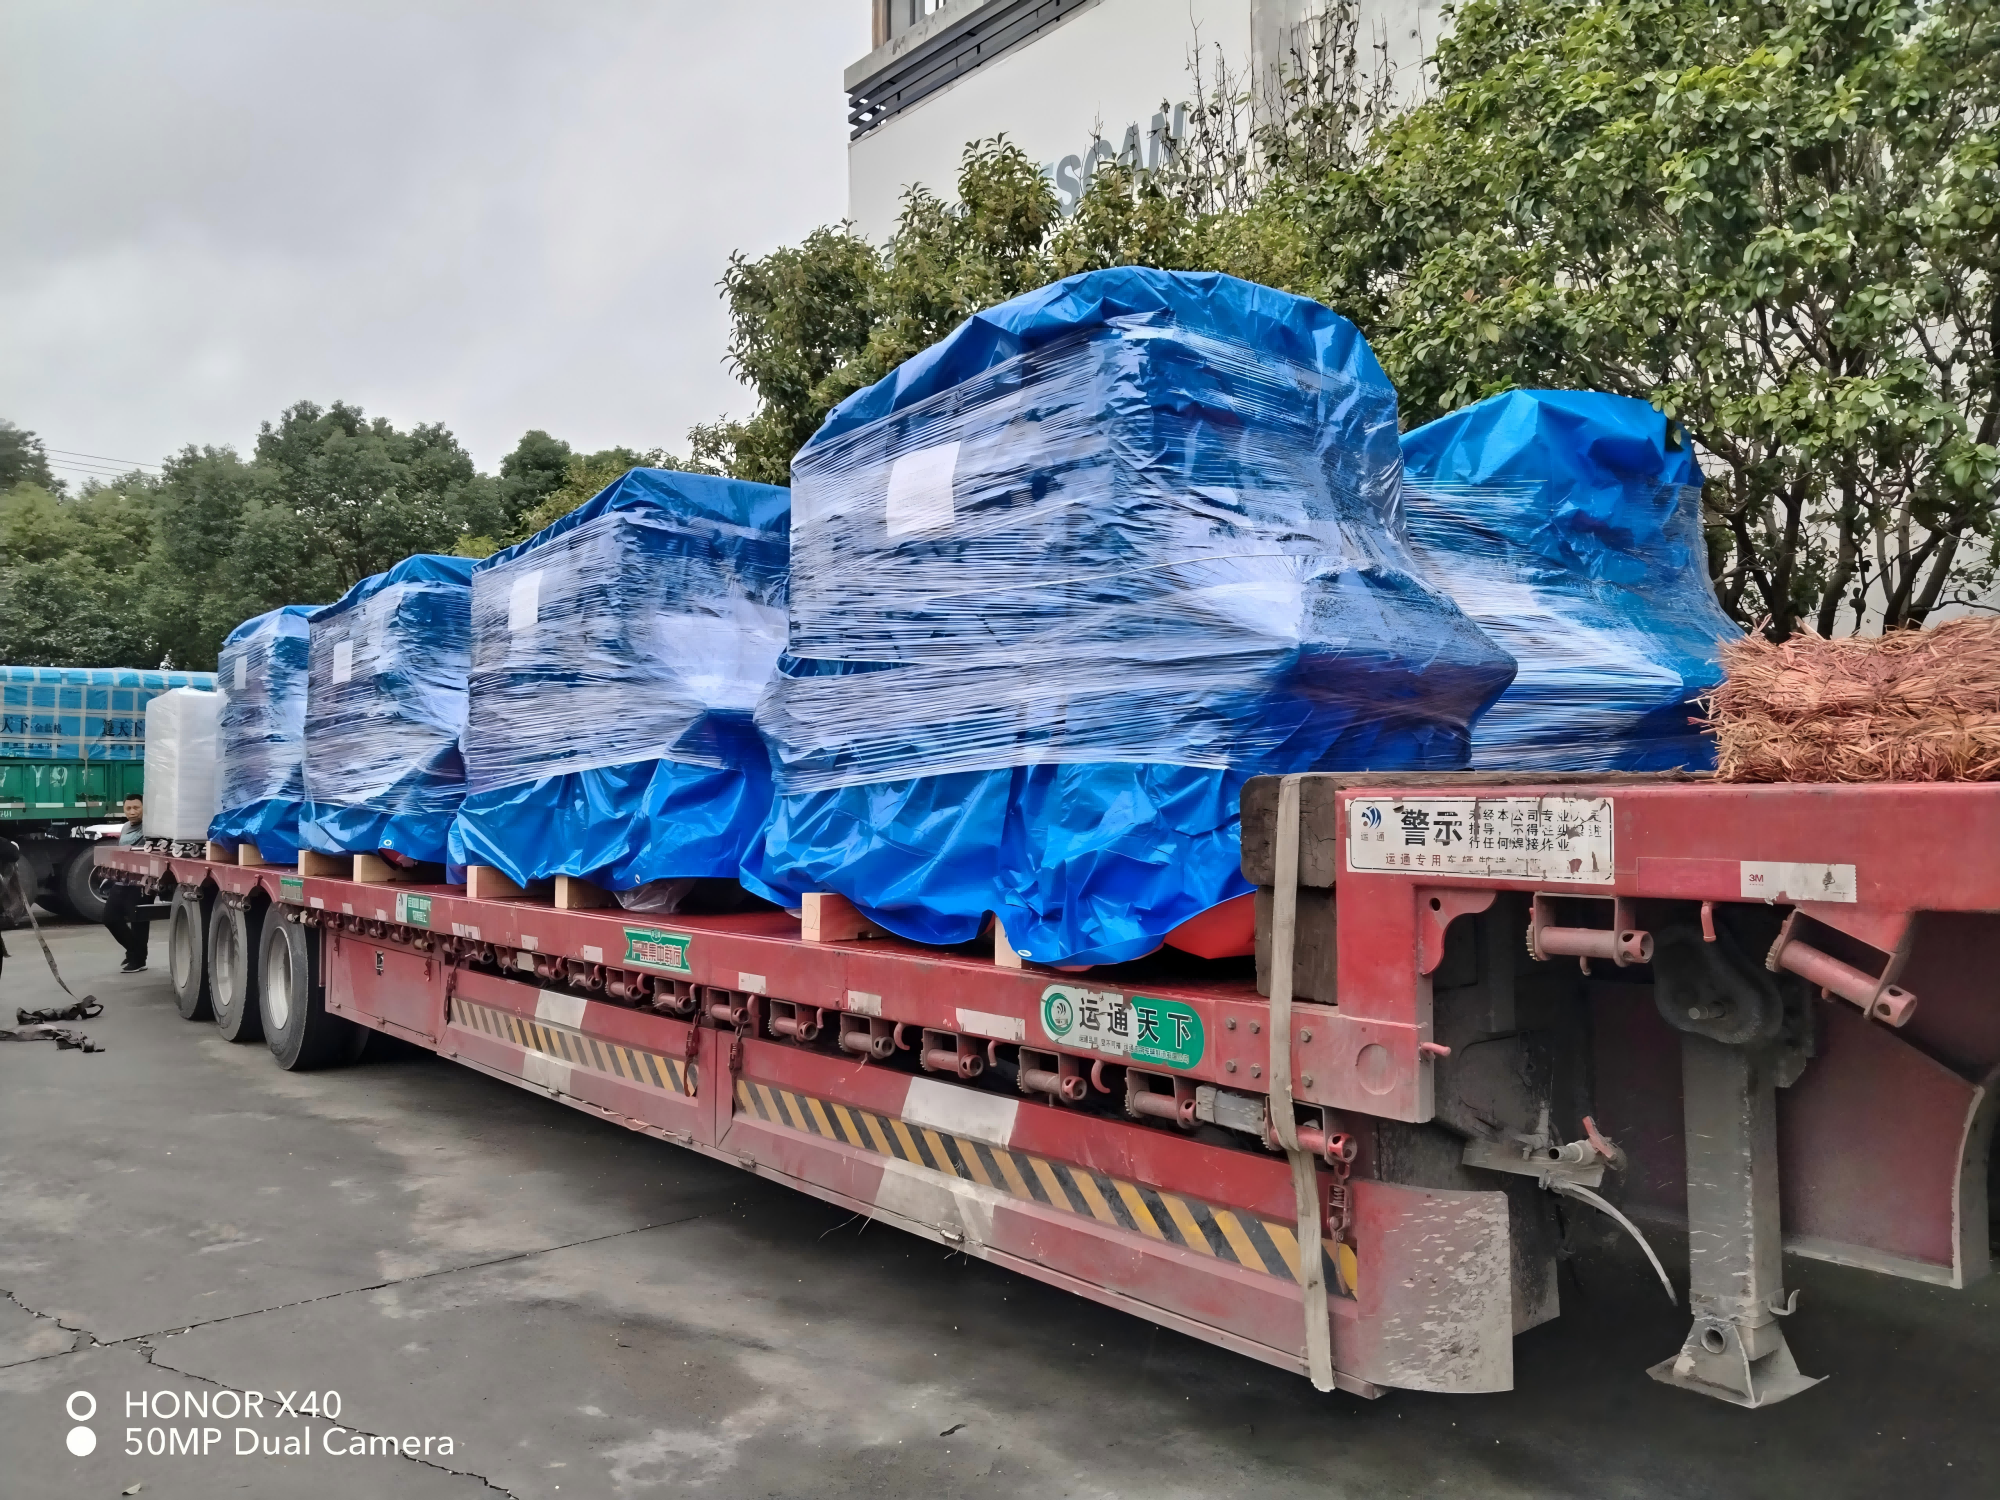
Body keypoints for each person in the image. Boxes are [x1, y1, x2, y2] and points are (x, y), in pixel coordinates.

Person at [102, 794, 148, 973]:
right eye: (128, 808)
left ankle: (138, 960)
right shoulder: (125, 827)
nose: (132, 812)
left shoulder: (150, 828)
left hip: (141, 883)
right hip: (121, 882)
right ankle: (133, 951)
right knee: (110, 918)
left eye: (136, 808)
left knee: (139, 924)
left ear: (145, 808)